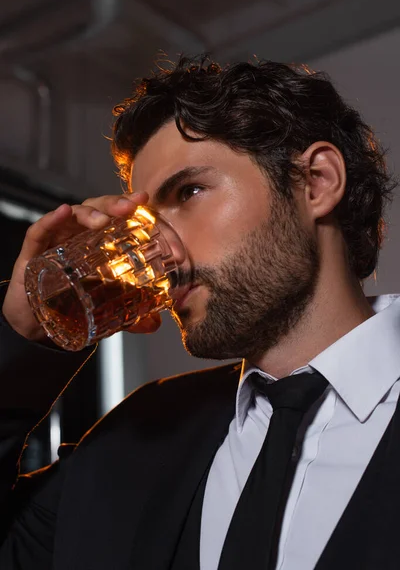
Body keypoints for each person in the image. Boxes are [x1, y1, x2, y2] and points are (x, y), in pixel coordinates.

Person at [0, 54, 399, 570]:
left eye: (189, 192)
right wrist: (24, 334)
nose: (159, 253)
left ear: (316, 182)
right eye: (142, 222)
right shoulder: (136, 437)